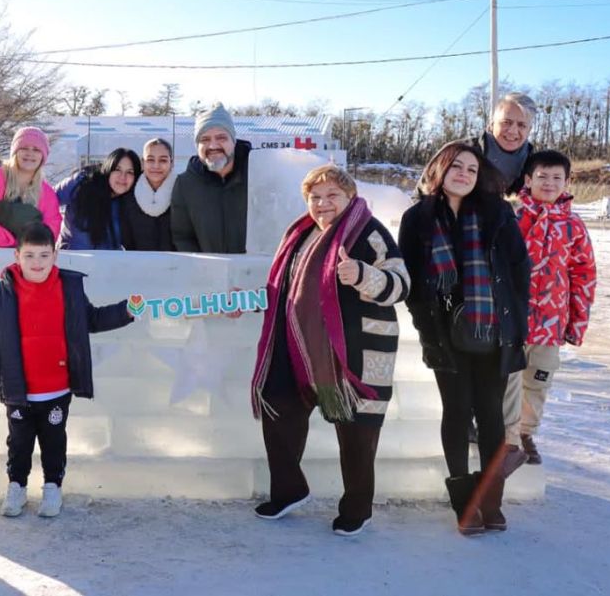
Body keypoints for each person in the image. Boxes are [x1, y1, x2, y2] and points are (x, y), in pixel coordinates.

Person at [248, 165, 410, 536]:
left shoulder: (369, 232)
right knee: (277, 403)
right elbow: (284, 289)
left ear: (350, 197)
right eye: (315, 197)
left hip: (354, 353)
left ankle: (357, 508)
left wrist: (363, 275)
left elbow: (401, 284)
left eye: (332, 195)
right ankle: (289, 490)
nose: (322, 204)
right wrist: (247, 301)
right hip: (300, 348)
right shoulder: (300, 234)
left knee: (356, 433)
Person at [399, 141, 530, 535]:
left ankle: (490, 501)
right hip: (444, 334)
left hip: (493, 330)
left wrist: (514, 323)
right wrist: (427, 332)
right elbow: (413, 284)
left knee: (491, 415)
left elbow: (519, 271)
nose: (464, 174)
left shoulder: (497, 213)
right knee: (456, 411)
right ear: (439, 169)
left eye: (472, 169)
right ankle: (464, 502)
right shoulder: (417, 218)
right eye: (456, 166)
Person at [0, 222, 134, 517]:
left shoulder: (68, 288)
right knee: (19, 443)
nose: (37, 262)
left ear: (55, 255)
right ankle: (16, 486)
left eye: (44, 255)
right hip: (17, 389)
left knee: (54, 442)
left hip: (56, 388)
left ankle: (53, 487)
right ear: (17, 256)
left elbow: (91, 319)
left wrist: (126, 310)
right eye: (29, 255)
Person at [510, 150, 597, 465]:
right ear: (528, 179)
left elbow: (584, 275)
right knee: (506, 381)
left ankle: (524, 433)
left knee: (537, 381)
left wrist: (576, 323)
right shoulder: (512, 218)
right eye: (542, 176)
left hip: (550, 322)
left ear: (567, 182)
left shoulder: (573, 225)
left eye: (556, 177)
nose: (549, 183)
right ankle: (501, 435)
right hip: (511, 320)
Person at [171, 102, 251, 253]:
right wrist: (202, 264)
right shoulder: (185, 184)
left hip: (256, 267)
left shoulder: (258, 175)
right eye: (205, 139)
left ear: (233, 141)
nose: (213, 146)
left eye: (221, 138)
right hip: (207, 267)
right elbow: (182, 236)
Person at [0, 126, 62, 247]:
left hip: (29, 256)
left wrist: (28, 248)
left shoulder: (47, 192)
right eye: (24, 148)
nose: (30, 153)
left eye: (36, 150)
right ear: (15, 152)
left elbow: (51, 231)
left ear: (43, 156)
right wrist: (15, 243)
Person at [55, 147, 140, 250]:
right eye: (117, 169)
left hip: (107, 259)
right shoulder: (83, 183)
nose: (123, 177)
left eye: (130, 172)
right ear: (108, 168)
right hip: (72, 257)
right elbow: (46, 200)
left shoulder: (131, 201)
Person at [119, 138, 177, 251]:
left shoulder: (183, 192)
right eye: (150, 160)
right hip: (137, 260)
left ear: (172, 163)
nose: (156, 166)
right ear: (142, 162)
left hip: (178, 261)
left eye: (163, 160)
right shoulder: (128, 193)